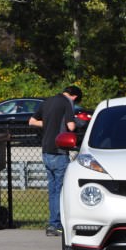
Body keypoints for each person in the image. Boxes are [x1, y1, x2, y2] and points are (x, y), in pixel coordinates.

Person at [29, 86, 81, 236]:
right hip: (59, 151)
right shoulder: (67, 103)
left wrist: (48, 122)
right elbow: (71, 126)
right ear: (75, 97)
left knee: (52, 190)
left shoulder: (47, 101)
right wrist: (78, 122)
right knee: (61, 190)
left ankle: (53, 223)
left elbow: (32, 121)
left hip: (46, 150)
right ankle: (56, 224)